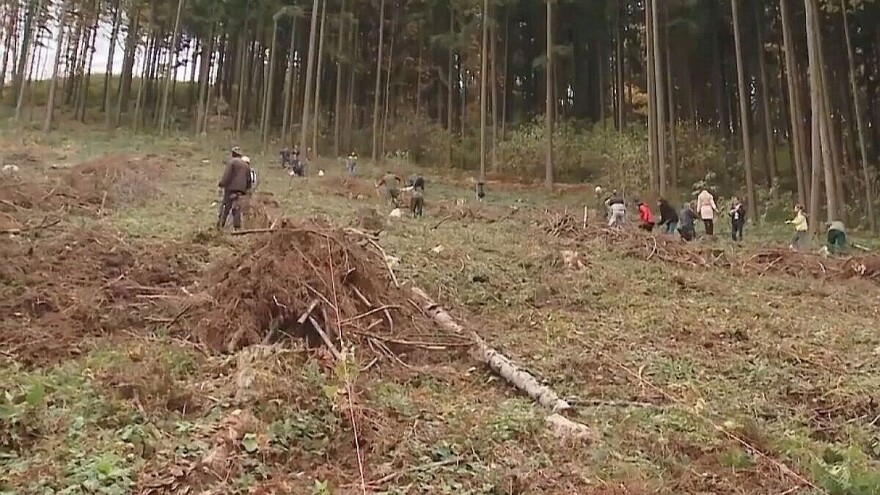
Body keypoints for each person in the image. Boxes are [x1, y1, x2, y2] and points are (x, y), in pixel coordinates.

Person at [217, 147, 252, 230]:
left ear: (233, 154)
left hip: (230, 189)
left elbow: (227, 175)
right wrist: (247, 190)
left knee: (225, 207)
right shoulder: (246, 165)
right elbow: (249, 179)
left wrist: (221, 184)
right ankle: (237, 228)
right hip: (241, 191)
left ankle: (220, 225)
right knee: (237, 209)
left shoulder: (232, 162)